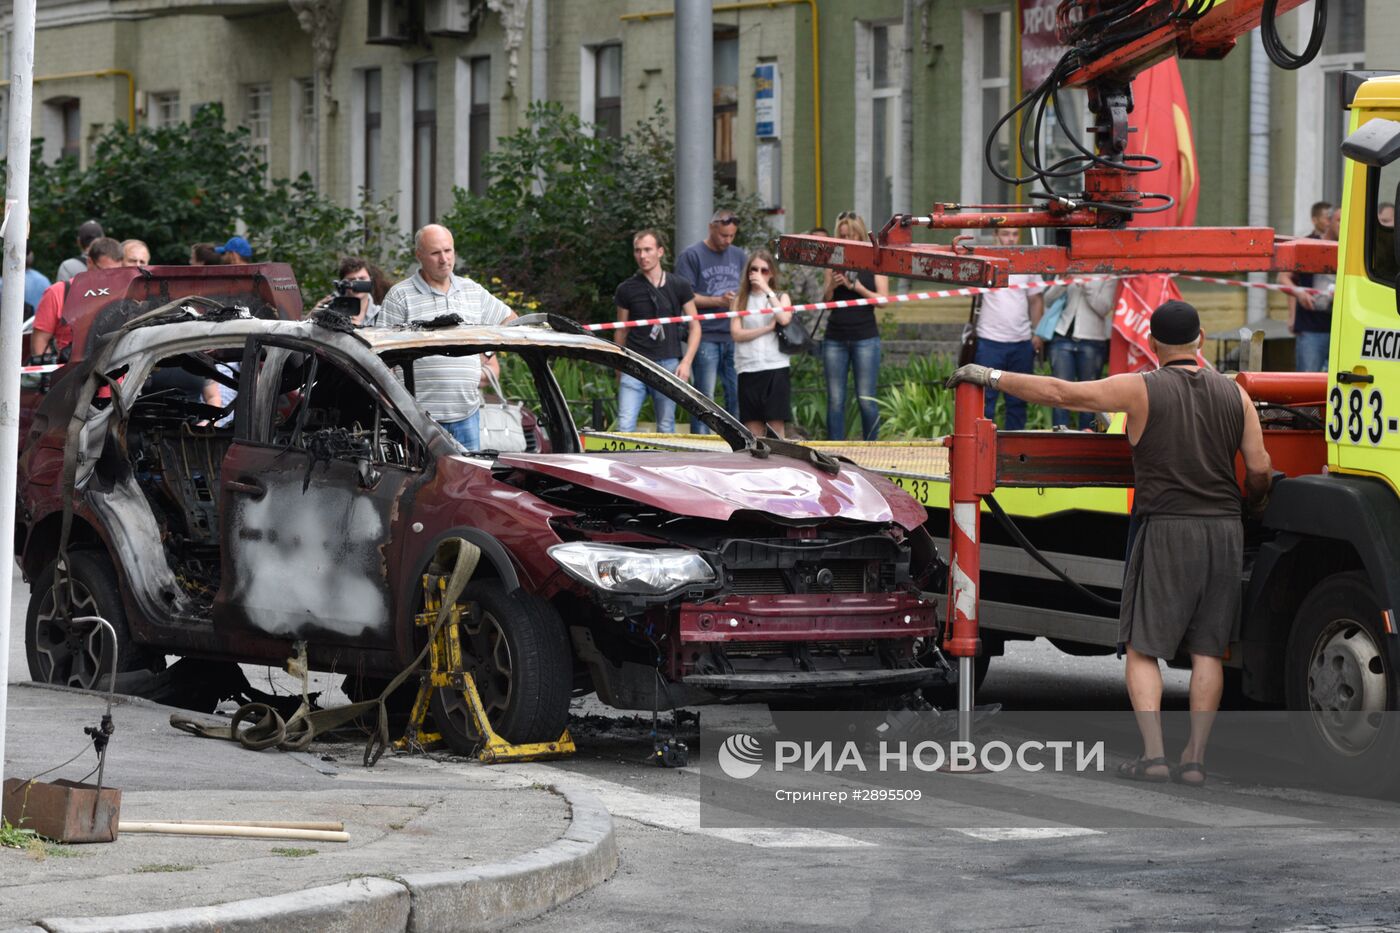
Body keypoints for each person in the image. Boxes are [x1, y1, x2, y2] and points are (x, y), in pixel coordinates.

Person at [946, 300, 1272, 787]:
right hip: (1224, 529)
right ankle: (1195, 760)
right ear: (1201, 339)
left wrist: (989, 376)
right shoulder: (1235, 395)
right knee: (1208, 650)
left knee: (1143, 647)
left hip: (1165, 527)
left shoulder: (1141, 389)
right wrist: (1255, 507)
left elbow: (1063, 391)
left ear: (1154, 344)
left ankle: (1155, 755)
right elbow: (1261, 468)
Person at [379, 224, 515, 450]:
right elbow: (380, 356)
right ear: (419, 255)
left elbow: (510, 321)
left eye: (448, 250)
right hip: (418, 419)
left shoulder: (472, 291)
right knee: (422, 485)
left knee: (468, 483)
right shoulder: (400, 296)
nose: (444, 259)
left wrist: (488, 352)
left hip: (467, 415)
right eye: (435, 253)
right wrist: (395, 407)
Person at [612, 229, 702, 433]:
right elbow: (621, 330)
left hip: (668, 362)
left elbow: (695, 326)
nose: (642, 256)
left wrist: (686, 362)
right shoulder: (626, 289)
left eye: (647, 250)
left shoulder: (679, 284)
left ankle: (663, 466)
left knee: (666, 426)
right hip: (634, 363)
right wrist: (618, 365)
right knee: (625, 424)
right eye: (637, 251)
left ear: (660, 252)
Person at [675, 210, 744, 432]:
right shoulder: (691, 255)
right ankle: (700, 444)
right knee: (705, 397)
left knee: (736, 393)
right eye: (724, 235)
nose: (728, 240)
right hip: (705, 335)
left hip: (734, 334)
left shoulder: (740, 255)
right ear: (712, 228)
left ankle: (738, 443)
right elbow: (684, 294)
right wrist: (717, 300)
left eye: (732, 236)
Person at [822, 211, 888, 440]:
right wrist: (832, 282)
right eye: (843, 236)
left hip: (865, 336)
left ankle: (872, 447)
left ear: (860, 235)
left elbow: (883, 301)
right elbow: (826, 303)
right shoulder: (833, 259)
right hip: (835, 336)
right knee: (835, 399)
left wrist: (856, 287)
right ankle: (834, 449)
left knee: (866, 397)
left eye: (851, 236)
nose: (847, 240)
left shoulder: (874, 260)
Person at [974, 227, 1044, 430]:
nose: (1010, 238)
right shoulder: (985, 260)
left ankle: (1014, 451)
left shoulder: (1027, 261)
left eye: (1014, 234)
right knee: (985, 401)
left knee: (1018, 401)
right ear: (995, 235)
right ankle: (982, 449)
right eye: (1005, 234)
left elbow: (1036, 300)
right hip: (989, 341)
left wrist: (1037, 332)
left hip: (1021, 342)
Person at [729, 250, 793, 438]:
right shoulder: (740, 299)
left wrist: (767, 290)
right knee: (753, 430)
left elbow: (783, 318)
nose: (758, 274)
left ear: (771, 273)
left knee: (776, 428)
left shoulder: (780, 297)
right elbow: (736, 333)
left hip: (775, 366)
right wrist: (766, 329)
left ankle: (781, 466)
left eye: (764, 270)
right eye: (754, 269)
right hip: (748, 367)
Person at [1042, 277, 1118, 428]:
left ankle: (1087, 440)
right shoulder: (1071, 268)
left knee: (1089, 396)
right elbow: (1048, 300)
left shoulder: (1108, 275)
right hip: (1062, 336)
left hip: (1092, 340)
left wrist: (1086, 284)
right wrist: (1064, 281)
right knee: (1059, 392)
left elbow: (1104, 308)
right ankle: (1059, 440)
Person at [31, 237, 124, 357]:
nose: (111, 278)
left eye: (117, 273)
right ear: (89, 262)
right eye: (105, 272)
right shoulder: (59, 292)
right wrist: (47, 368)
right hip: (71, 372)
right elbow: (40, 341)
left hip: (117, 372)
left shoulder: (126, 291)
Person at [1284, 205, 1340, 372]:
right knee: (1307, 382)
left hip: (1342, 329)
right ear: (1328, 222)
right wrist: (1299, 295)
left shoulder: (1353, 249)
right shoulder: (1307, 244)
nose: (1344, 224)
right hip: (1311, 328)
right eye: (1339, 220)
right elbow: (1284, 278)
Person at [314, 256, 381, 326]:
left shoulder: (381, 313)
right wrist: (314, 314)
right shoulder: (331, 312)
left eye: (362, 279)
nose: (357, 283)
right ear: (342, 283)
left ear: (371, 280)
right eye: (351, 280)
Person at [785, 227, 829, 306]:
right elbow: (795, 295)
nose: (821, 245)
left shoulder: (834, 267)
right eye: (817, 241)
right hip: (811, 316)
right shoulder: (803, 268)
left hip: (832, 315)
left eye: (824, 241)